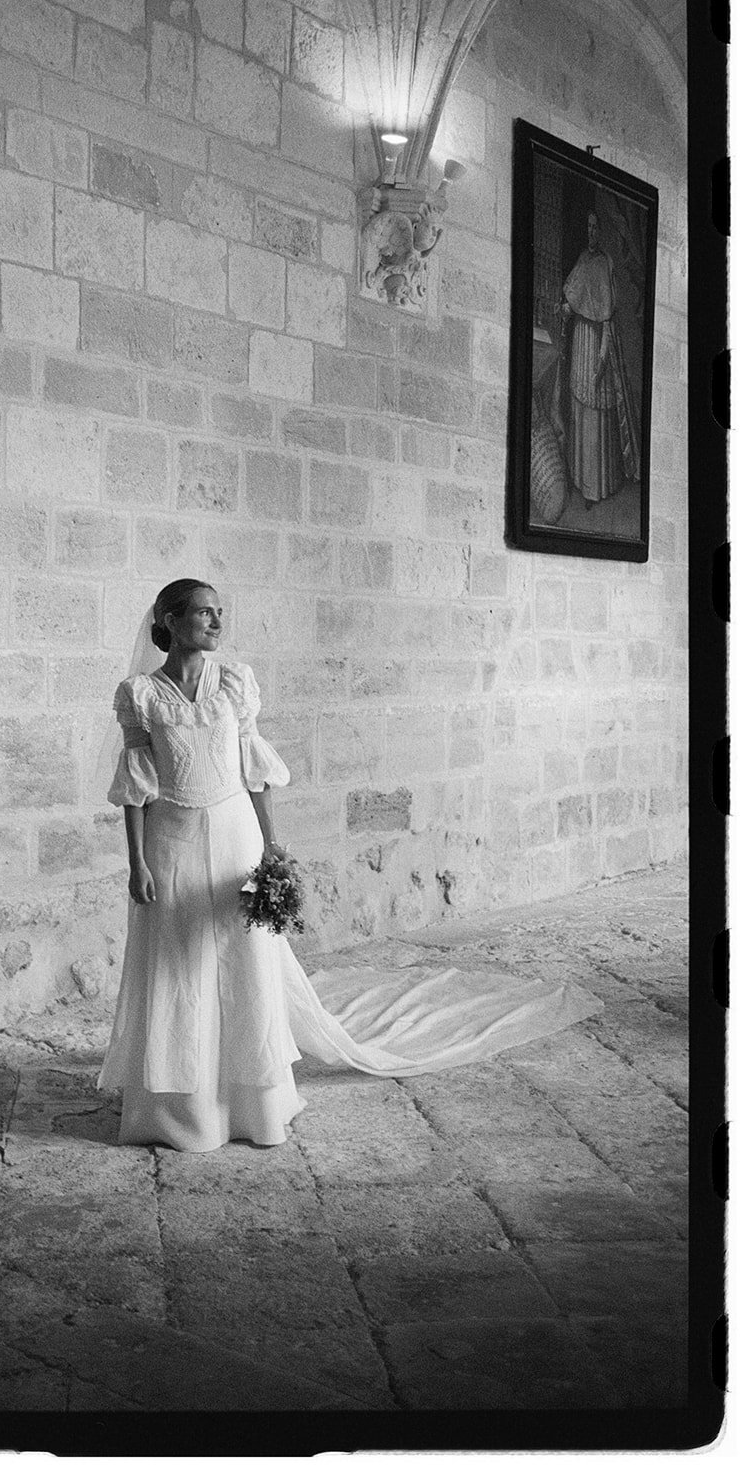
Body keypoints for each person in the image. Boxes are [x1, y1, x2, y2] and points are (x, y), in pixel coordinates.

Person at [98, 578, 601, 1153]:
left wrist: (272, 846)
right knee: (175, 964)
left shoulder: (235, 683)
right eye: (204, 612)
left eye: (220, 612)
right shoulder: (140, 694)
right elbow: (136, 786)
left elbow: (255, 772)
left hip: (236, 835)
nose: (217, 622)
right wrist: (137, 861)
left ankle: (252, 1106)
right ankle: (179, 1113)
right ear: (170, 620)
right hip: (172, 840)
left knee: (245, 962)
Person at [555, 209, 640, 504]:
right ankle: (579, 478)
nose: (591, 232)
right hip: (581, 337)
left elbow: (605, 314)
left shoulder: (605, 263)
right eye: (588, 227)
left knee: (597, 410)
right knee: (579, 404)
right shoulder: (583, 258)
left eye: (595, 228)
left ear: (601, 232)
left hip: (595, 340)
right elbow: (576, 296)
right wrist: (567, 309)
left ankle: (597, 486)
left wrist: (603, 356)